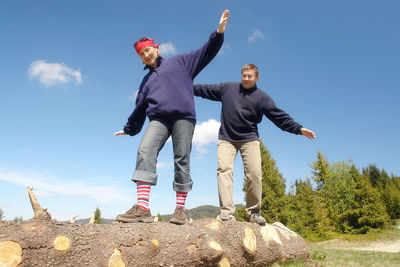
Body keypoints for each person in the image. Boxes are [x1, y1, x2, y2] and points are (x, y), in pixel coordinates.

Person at [114, 10, 230, 225]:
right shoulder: (146, 82)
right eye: (142, 54)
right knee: (145, 150)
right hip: (158, 119)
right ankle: (142, 208)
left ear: (156, 47)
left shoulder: (181, 62)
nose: (146, 55)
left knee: (181, 158)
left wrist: (219, 32)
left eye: (148, 50)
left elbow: (207, 51)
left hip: (183, 118)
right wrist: (129, 128)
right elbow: (140, 107)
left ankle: (179, 209)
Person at [193, 64, 316, 225]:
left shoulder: (262, 98)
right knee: (224, 170)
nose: (246, 79)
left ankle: (254, 212)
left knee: (254, 173)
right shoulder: (227, 88)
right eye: (243, 75)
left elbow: (279, 117)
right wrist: (186, 85)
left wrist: (298, 129)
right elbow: (204, 90)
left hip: (249, 139)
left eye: (249, 76)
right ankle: (227, 212)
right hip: (226, 138)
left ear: (257, 77)